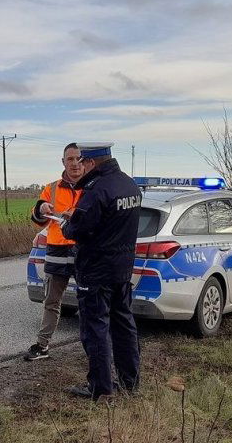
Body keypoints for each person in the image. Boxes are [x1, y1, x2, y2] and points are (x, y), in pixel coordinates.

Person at [60, 142, 141, 400]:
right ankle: (130, 382)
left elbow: (79, 229)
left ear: (92, 163)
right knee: (124, 325)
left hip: (95, 271)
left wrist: (67, 224)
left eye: (82, 162)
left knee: (95, 330)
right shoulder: (129, 184)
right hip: (122, 269)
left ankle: (101, 388)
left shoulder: (96, 190)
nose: (79, 166)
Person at [24, 143, 84, 361]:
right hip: (56, 250)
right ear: (63, 162)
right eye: (70, 159)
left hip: (83, 249)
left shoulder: (93, 186)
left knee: (89, 301)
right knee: (52, 301)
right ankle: (42, 346)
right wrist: (40, 209)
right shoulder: (51, 188)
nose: (75, 163)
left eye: (78, 158)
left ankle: (95, 346)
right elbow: (37, 217)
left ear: (85, 160)